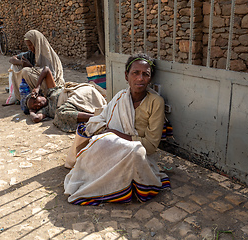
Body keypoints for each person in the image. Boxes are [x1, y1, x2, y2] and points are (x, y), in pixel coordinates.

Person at [64, 53, 171, 205]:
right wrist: (103, 131)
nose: (140, 78)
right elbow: (102, 119)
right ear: (127, 76)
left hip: (134, 150)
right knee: (90, 135)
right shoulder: (120, 97)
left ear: (150, 78)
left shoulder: (156, 102)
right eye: (135, 73)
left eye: (145, 74)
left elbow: (151, 146)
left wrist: (115, 133)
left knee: (136, 152)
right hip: (111, 145)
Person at [26, 66, 107, 133]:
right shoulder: (46, 110)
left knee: (60, 113)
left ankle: (98, 117)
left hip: (81, 92)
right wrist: (31, 110)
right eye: (36, 107)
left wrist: (37, 87)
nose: (38, 104)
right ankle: (97, 117)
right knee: (61, 113)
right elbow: (36, 118)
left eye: (35, 101)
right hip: (80, 103)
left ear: (38, 95)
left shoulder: (52, 90)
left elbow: (46, 69)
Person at [3, 30, 65, 106]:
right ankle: (20, 96)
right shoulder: (31, 53)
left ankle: (39, 96)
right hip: (39, 83)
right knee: (15, 66)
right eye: (28, 45)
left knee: (26, 71)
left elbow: (50, 75)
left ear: (37, 43)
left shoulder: (48, 55)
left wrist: (30, 67)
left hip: (51, 85)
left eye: (31, 45)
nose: (30, 48)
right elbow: (11, 59)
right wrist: (22, 63)